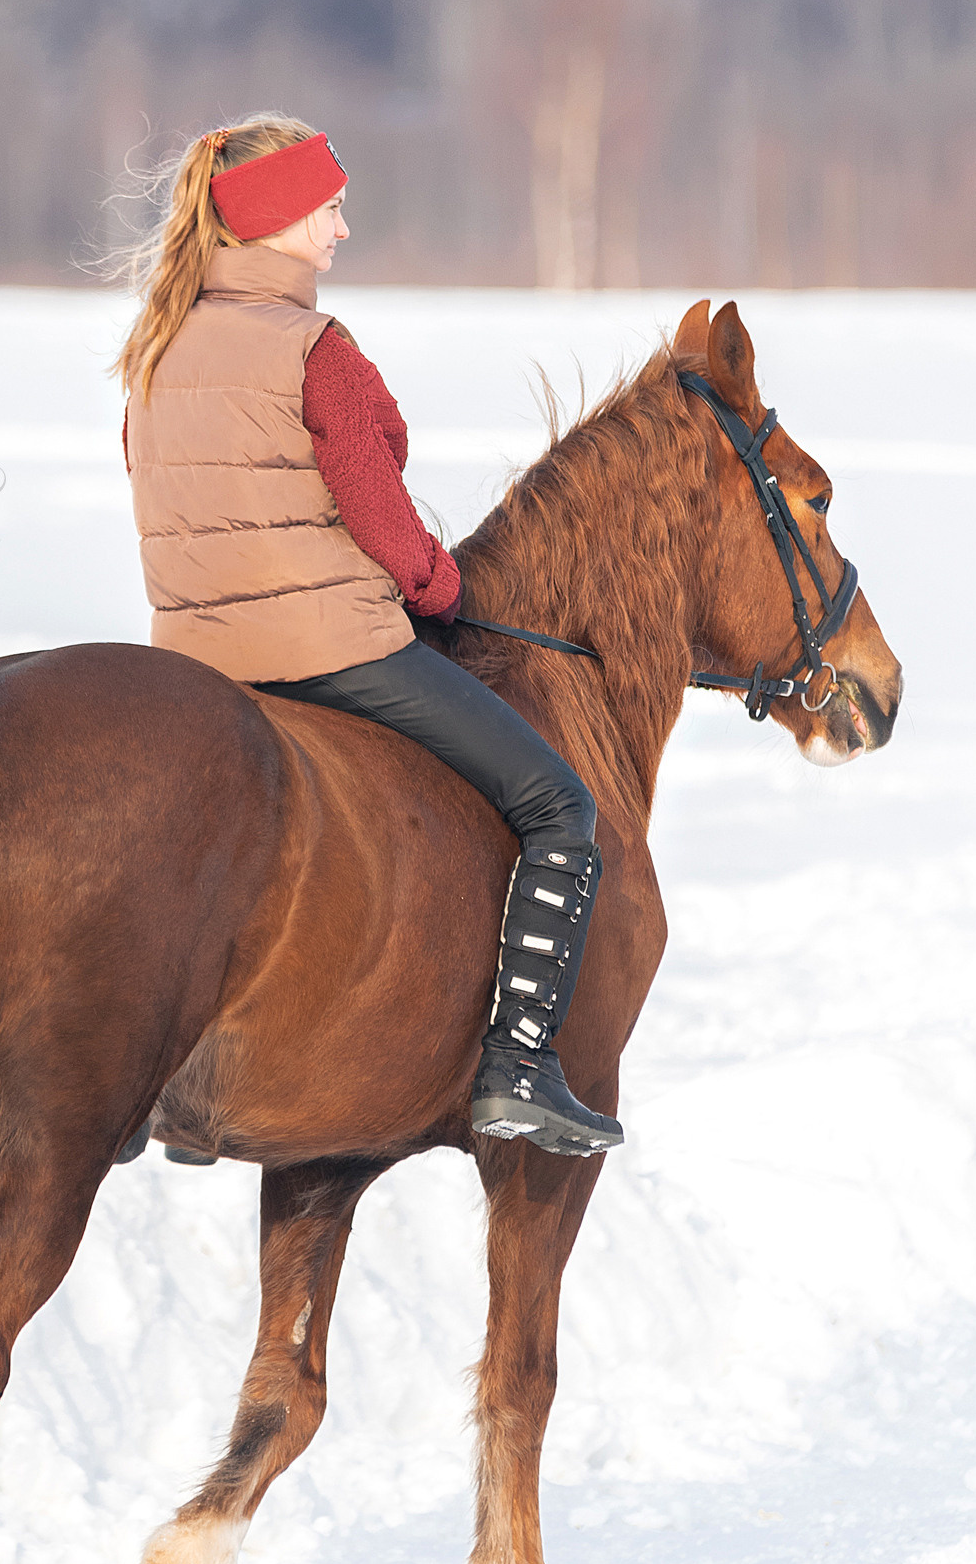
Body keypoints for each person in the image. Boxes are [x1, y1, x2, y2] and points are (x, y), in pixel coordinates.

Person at [117, 114, 622, 1156]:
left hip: (198, 664)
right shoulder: (316, 350)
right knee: (559, 806)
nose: (343, 229)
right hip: (331, 650)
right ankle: (518, 1066)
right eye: (329, 208)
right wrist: (439, 587)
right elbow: (380, 517)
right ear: (276, 217)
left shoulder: (155, 352)